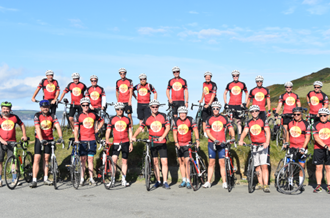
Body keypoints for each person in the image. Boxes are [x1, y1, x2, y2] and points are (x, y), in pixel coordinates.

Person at [132, 99, 171, 189]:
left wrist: (163, 136)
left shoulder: (163, 116)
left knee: (164, 162)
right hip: (152, 142)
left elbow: (168, 127)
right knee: (155, 162)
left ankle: (165, 181)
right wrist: (134, 136)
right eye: (153, 107)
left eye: (156, 106)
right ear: (150, 107)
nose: (155, 108)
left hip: (162, 142)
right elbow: (140, 127)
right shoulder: (147, 118)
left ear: (158, 107)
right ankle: (158, 181)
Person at [30, 100, 63, 188]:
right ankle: (34, 180)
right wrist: (41, 140)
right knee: (37, 158)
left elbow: (58, 126)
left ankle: (45, 178)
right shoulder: (37, 115)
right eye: (43, 107)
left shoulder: (52, 115)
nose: (45, 108)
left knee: (46, 158)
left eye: (47, 107)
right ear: (40, 108)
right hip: (39, 139)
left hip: (49, 139)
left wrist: (60, 137)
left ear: (49, 107)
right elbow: (37, 128)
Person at [238, 105, 271, 193]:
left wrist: (267, 142)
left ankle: (266, 184)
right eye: (252, 111)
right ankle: (260, 183)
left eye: (256, 111)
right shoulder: (248, 122)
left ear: (259, 112)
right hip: (254, 145)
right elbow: (245, 131)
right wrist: (241, 140)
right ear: (250, 113)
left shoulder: (263, 121)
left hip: (263, 145)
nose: (254, 113)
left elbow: (267, 131)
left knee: (264, 165)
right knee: (257, 166)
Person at [203, 101, 235, 189]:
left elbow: (231, 128)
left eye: (217, 108)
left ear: (219, 109)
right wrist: (214, 140)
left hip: (222, 143)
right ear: (212, 109)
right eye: (214, 108)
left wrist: (232, 137)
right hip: (212, 143)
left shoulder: (224, 118)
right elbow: (208, 132)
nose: (215, 110)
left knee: (222, 163)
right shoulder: (209, 119)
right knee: (211, 163)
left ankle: (224, 182)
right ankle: (208, 182)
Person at [74, 97, 104, 186]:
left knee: (90, 159)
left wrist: (97, 129)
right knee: (83, 160)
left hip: (92, 139)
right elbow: (76, 128)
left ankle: (91, 178)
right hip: (82, 140)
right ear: (81, 106)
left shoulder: (93, 114)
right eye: (84, 105)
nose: (86, 107)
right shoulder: (78, 116)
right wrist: (76, 138)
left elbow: (102, 121)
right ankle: (82, 178)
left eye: (87, 105)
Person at [0, 102, 28, 187]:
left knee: (13, 161)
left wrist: (24, 135)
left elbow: (22, 124)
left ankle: (14, 179)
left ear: (10, 109)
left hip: (12, 142)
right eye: (4, 108)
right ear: (1, 109)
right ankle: (0, 180)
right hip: (1, 142)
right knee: (0, 161)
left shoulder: (14, 117)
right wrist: (1, 140)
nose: (5, 110)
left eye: (7, 109)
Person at [105, 102, 133, 187]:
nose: (120, 110)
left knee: (124, 161)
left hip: (125, 142)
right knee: (114, 161)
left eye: (121, 109)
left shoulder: (127, 119)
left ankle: (123, 179)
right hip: (116, 142)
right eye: (118, 109)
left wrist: (131, 143)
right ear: (115, 110)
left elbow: (130, 132)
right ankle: (113, 179)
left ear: (123, 110)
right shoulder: (112, 119)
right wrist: (107, 140)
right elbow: (108, 130)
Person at [173, 106, 200, 189]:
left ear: (186, 113)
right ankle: (184, 180)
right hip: (179, 144)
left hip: (187, 144)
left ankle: (189, 180)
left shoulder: (190, 119)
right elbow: (174, 132)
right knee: (181, 162)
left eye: (184, 113)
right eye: (180, 113)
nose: (182, 115)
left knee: (187, 162)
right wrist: (176, 142)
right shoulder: (176, 120)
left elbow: (195, 130)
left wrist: (197, 140)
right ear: (178, 114)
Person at [284, 107, 310, 192]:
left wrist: (303, 147)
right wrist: (286, 142)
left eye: (298, 114)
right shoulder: (290, 123)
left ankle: (300, 184)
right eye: (294, 114)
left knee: (301, 166)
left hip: (301, 147)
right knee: (290, 166)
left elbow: (308, 137)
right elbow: (287, 132)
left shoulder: (306, 124)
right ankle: (290, 183)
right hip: (292, 147)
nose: (296, 116)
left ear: (301, 114)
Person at [223, 70, 248, 140]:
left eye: (236, 75)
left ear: (238, 76)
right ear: (232, 76)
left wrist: (245, 102)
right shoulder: (229, 84)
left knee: (239, 122)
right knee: (231, 121)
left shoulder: (242, 84)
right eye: (234, 76)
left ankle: (239, 137)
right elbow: (224, 93)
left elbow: (247, 92)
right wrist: (225, 103)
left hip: (239, 105)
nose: (235, 77)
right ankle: (232, 136)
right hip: (231, 104)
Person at [310, 108, 330, 194]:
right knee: (319, 167)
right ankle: (318, 185)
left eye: (324, 115)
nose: (323, 117)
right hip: (319, 148)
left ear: (328, 116)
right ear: (319, 115)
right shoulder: (315, 125)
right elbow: (316, 138)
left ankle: (329, 185)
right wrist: (325, 146)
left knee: (328, 167)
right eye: (321, 115)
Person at [199, 72, 217, 137]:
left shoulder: (213, 84)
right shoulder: (204, 84)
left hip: (213, 104)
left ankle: (213, 132)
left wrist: (209, 104)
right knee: (204, 119)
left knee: (212, 119)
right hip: (206, 103)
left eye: (209, 77)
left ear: (211, 77)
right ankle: (205, 134)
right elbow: (204, 92)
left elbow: (213, 94)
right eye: (206, 77)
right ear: (205, 78)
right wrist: (201, 99)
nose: (207, 78)